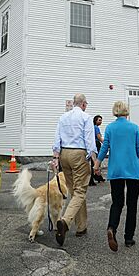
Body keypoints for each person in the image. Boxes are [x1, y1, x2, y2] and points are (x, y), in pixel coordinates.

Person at [94, 101, 139, 252]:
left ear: (115, 112)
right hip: (133, 169)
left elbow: (104, 148)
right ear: (127, 112)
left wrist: (97, 165)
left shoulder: (110, 127)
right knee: (132, 204)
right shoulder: (134, 128)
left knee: (117, 203)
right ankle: (129, 238)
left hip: (116, 170)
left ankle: (112, 228)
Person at [52, 93, 97, 246]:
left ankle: (81, 226)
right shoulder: (86, 117)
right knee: (80, 191)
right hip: (79, 154)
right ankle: (65, 221)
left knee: (74, 191)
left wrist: (56, 157)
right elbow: (90, 140)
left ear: (73, 103)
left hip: (64, 153)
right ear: (83, 104)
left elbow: (56, 137)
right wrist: (95, 160)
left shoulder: (63, 117)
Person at [89, 115, 105, 185]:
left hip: (93, 144)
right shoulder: (96, 128)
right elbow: (99, 137)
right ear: (95, 120)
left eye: (101, 120)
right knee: (96, 161)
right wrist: (106, 143)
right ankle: (94, 177)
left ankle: (97, 176)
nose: (101, 122)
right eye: (99, 120)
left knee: (93, 161)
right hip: (96, 144)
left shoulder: (92, 127)